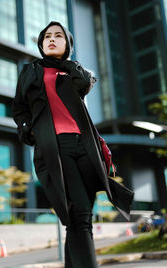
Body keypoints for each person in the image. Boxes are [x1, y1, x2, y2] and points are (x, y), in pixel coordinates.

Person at [12, 21, 134, 268]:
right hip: (56, 148)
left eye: (59, 36)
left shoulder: (76, 72)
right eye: (47, 36)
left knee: (78, 219)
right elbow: (19, 109)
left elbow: (84, 85)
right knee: (79, 217)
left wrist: (68, 64)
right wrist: (29, 131)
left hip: (85, 148)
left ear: (68, 44)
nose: (52, 39)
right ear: (41, 43)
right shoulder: (30, 71)